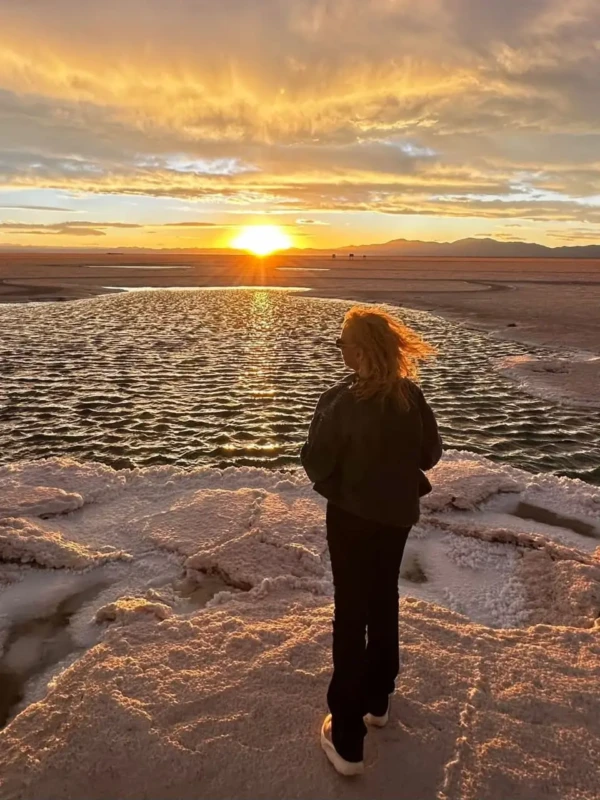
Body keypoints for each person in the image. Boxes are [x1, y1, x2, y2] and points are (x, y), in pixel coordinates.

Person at [301, 306, 442, 776]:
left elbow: (316, 462)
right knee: (384, 598)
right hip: (397, 514)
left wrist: (348, 474)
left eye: (342, 343)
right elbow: (431, 454)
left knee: (352, 613)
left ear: (360, 350)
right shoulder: (410, 395)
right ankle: (378, 700)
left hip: (352, 516)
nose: (339, 351)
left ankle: (346, 740)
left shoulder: (339, 401)